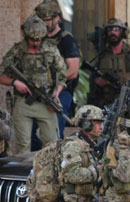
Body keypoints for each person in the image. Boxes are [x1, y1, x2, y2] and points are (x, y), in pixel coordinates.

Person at [0, 15, 66, 155]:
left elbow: (62, 74)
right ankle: (22, 175)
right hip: (23, 103)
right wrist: (14, 82)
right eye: (32, 39)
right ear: (26, 35)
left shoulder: (51, 50)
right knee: (23, 144)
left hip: (46, 101)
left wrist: (56, 92)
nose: (36, 43)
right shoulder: (18, 51)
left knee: (52, 144)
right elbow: (1, 74)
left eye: (39, 39)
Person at [31, 0, 81, 147]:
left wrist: (54, 86)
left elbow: (73, 71)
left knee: (55, 133)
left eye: (47, 20)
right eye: (40, 20)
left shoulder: (66, 40)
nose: (44, 24)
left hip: (61, 92)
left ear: (57, 18)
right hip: (37, 91)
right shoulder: (36, 40)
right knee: (27, 132)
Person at [87, 18, 130, 108]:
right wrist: (98, 82)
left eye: (116, 29)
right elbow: (92, 81)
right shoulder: (102, 56)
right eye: (109, 30)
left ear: (122, 32)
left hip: (127, 104)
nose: (112, 32)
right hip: (105, 104)